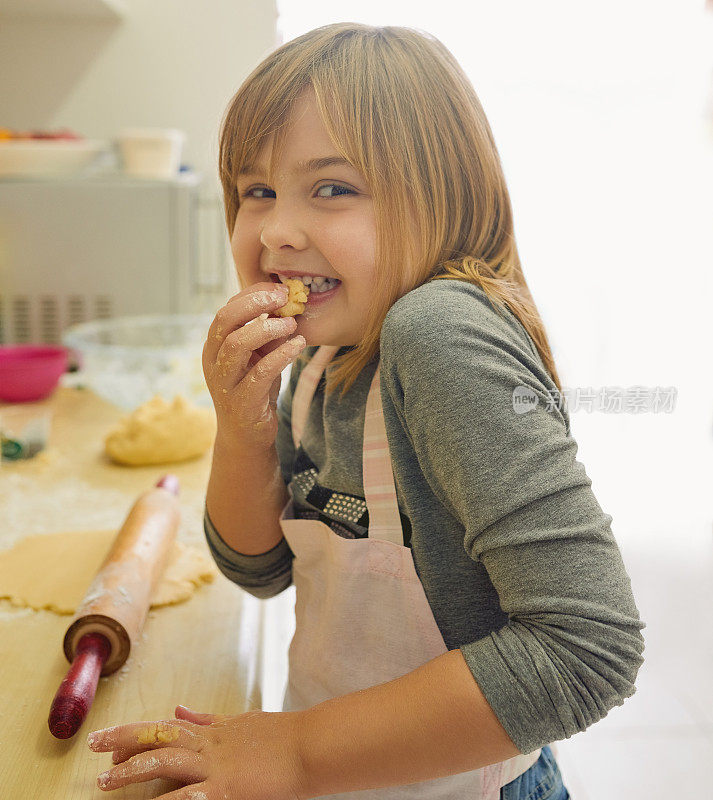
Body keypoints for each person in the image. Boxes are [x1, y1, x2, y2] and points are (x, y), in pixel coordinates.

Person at [87, 22, 646, 799]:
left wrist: (293, 752)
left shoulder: (436, 333)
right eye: (256, 191)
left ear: (442, 195)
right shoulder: (324, 353)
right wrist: (241, 431)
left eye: (332, 189)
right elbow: (259, 570)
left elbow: (587, 650)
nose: (276, 230)